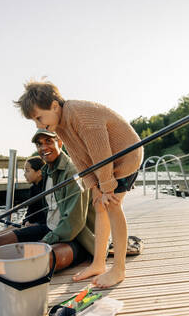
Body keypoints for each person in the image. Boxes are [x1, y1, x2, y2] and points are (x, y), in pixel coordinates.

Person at [14, 81, 143, 288]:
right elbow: (80, 158)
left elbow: (101, 153)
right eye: (34, 121)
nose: (38, 124)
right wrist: (93, 186)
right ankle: (99, 263)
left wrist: (107, 187)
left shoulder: (81, 116)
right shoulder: (60, 124)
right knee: (98, 205)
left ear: (55, 105)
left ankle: (119, 269)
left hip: (125, 157)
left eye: (39, 117)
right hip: (104, 161)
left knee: (112, 205)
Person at [0, 129, 95, 293]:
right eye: (39, 143)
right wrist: (27, 225)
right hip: (49, 228)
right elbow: (43, 207)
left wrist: (44, 242)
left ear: (60, 142)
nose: (44, 147)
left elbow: (74, 223)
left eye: (48, 141)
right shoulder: (46, 173)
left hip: (75, 238)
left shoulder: (72, 173)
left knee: (37, 259)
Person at [22, 156, 46, 227]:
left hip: (41, 226)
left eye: (27, 171)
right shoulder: (33, 188)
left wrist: (36, 224)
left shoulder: (46, 188)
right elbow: (30, 210)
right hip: (30, 224)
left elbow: (48, 215)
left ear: (39, 172)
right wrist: (26, 221)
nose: (24, 174)